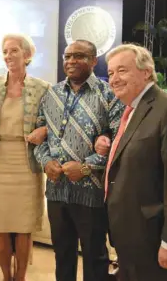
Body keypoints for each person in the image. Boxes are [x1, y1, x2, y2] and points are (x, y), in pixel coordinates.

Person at [103, 43, 167, 281]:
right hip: (133, 237)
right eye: (110, 73)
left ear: (146, 72)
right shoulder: (132, 111)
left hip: (156, 239)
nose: (114, 79)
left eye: (122, 70)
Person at [33, 39, 124, 281]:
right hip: (57, 191)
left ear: (94, 61)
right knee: (62, 255)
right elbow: (40, 135)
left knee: (95, 257)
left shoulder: (109, 95)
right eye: (67, 56)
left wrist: (85, 167)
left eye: (79, 56)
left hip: (91, 192)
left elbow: (119, 144)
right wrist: (45, 161)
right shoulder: (51, 94)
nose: (71, 60)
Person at [0, 33, 50, 281]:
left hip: (28, 162)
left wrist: (43, 130)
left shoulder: (43, 88)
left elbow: (54, 122)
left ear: (27, 55)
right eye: (5, 51)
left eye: (14, 51)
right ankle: (6, 276)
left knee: (24, 226)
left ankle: (21, 277)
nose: (8, 56)